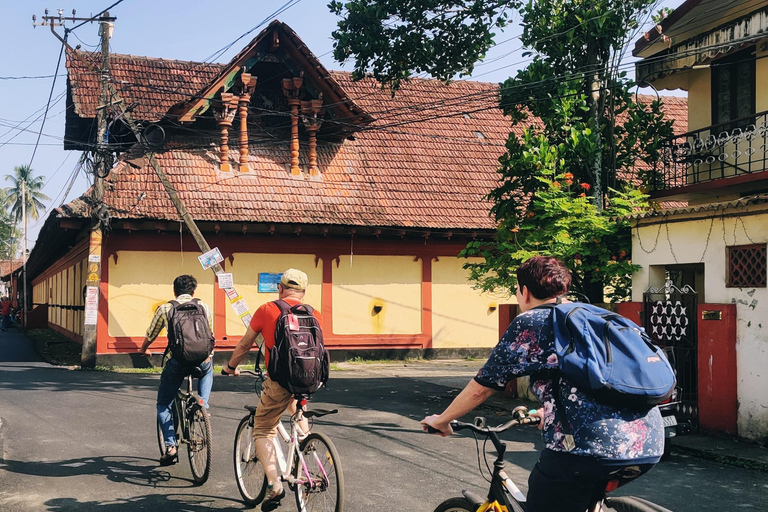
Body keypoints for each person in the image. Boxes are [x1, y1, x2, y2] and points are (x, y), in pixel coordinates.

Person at [421, 256, 663, 512]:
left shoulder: (534, 322)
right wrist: (550, 411)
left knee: (548, 489)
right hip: (647, 443)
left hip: (585, 450)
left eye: (516, 290)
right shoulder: (596, 316)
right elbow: (594, 382)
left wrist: (442, 420)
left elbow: (482, 386)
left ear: (525, 291)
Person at [222, 268, 322, 512]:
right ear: (304, 292)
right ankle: (306, 447)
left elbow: (246, 343)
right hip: (309, 379)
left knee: (263, 428)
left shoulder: (268, 309)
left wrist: (230, 366)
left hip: (279, 380)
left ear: (280, 288)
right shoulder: (314, 313)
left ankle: (274, 484)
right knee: (296, 408)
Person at [138, 274, 214, 466]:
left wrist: (143, 349)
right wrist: (208, 355)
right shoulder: (203, 306)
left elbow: (151, 333)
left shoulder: (166, 308)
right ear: (193, 291)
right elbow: (209, 334)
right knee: (207, 370)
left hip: (177, 362)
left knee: (163, 403)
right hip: (201, 360)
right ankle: (203, 405)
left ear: (175, 291)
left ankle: (171, 446)